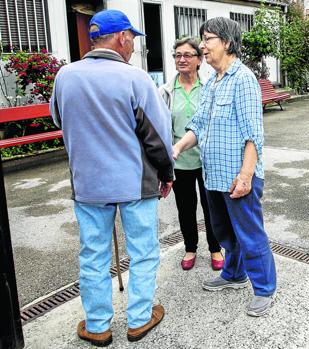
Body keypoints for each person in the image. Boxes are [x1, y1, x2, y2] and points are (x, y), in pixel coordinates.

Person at [50, 9, 173, 346]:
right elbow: (158, 136)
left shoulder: (65, 76)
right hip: (134, 183)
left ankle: (98, 325)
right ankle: (138, 318)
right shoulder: (135, 78)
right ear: (121, 38)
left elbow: (59, 118)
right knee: (144, 251)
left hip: (88, 184)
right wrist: (166, 173)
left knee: (93, 254)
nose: (133, 45)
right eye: (132, 38)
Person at [173, 17, 277, 317]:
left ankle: (265, 288)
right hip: (214, 177)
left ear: (227, 43)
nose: (202, 46)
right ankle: (233, 274)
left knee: (250, 234)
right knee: (224, 232)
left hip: (237, 178)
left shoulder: (243, 79)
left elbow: (253, 135)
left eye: (207, 39)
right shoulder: (213, 81)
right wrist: (178, 147)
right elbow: (199, 124)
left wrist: (246, 176)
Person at [160, 38, 224, 271]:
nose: (182, 59)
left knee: (212, 208)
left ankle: (215, 248)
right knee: (185, 208)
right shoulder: (166, 91)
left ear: (199, 60)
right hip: (179, 160)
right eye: (177, 55)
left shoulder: (210, 86)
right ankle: (190, 247)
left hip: (207, 160)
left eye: (188, 55)